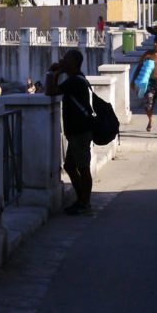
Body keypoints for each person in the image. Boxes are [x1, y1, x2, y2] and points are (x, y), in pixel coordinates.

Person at [45, 49, 94, 215]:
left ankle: (85, 203)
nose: (62, 61)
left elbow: (50, 91)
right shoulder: (76, 79)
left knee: (83, 168)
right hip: (77, 131)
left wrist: (52, 72)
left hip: (80, 132)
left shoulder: (74, 82)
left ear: (73, 63)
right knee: (70, 166)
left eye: (65, 59)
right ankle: (81, 200)